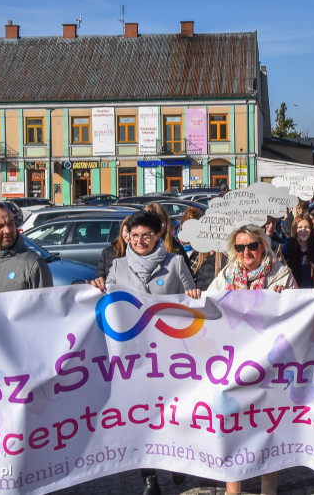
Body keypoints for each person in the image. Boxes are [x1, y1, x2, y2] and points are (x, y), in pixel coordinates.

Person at [91, 210, 195, 495]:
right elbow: (106, 298)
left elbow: (192, 299)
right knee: (141, 415)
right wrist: (98, 286)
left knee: (174, 410)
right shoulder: (119, 265)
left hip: (171, 355)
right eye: (134, 236)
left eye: (145, 235)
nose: (139, 241)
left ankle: (177, 461)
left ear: (157, 235)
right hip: (134, 356)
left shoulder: (174, 263)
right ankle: (148, 476)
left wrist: (195, 296)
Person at [207, 224, 296, 495]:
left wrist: (285, 300)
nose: (247, 252)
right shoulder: (225, 275)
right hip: (233, 364)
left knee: (267, 428)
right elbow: (209, 308)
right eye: (240, 247)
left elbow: (298, 312)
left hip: (268, 364)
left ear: (263, 247)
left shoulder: (281, 274)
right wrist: (196, 298)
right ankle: (232, 491)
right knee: (232, 426)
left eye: (252, 246)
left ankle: (268, 490)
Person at [284, 212, 314, 287]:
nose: (303, 230)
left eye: (307, 227)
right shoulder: (286, 250)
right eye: (300, 227)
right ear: (294, 229)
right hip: (292, 294)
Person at [97, 215, 133, 280]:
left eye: (132, 233)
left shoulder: (142, 252)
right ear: (121, 230)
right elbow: (100, 276)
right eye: (126, 231)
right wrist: (99, 283)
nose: (128, 236)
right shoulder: (108, 251)